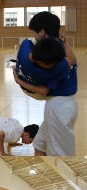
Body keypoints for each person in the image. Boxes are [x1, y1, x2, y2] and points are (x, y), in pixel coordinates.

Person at [12, 12, 78, 156]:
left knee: (60, 153)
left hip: (60, 106)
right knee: (40, 144)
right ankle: (40, 169)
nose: (34, 36)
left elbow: (44, 91)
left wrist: (19, 81)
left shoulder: (26, 46)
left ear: (42, 32)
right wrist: (64, 42)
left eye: (35, 32)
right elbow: (72, 59)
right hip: (63, 103)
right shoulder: (59, 57)